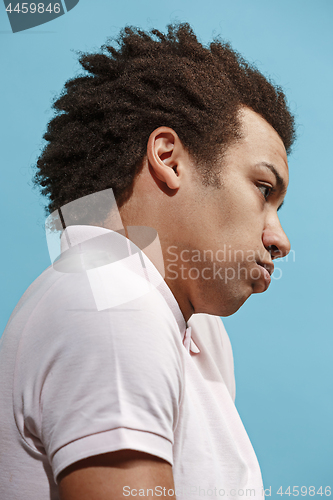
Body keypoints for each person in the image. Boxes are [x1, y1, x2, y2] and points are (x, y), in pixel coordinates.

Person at [0, 23, 295, 500]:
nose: (278, 238)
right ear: (168, 158)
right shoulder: (114, 303)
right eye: (263, 189)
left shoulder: (195, 331)